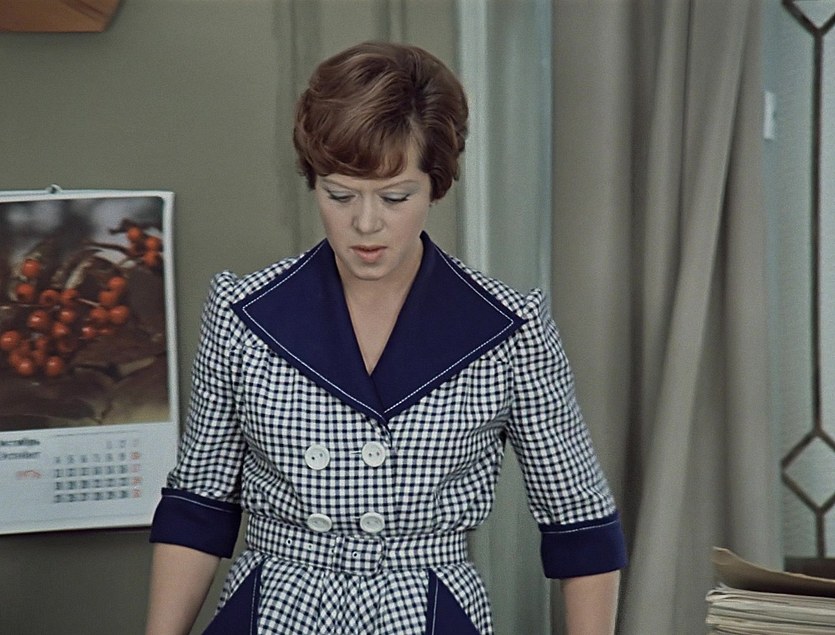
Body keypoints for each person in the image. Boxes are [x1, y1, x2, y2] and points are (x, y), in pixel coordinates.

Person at [145, 41, 627, 635]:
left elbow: (580, 525)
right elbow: (198, 506)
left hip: (424, 614)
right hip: (273, 611)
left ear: (437, 185)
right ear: (313, 182)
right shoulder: (242, 314)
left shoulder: (507, 330)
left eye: (396, 197)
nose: (366, 224)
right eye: (339, 194)